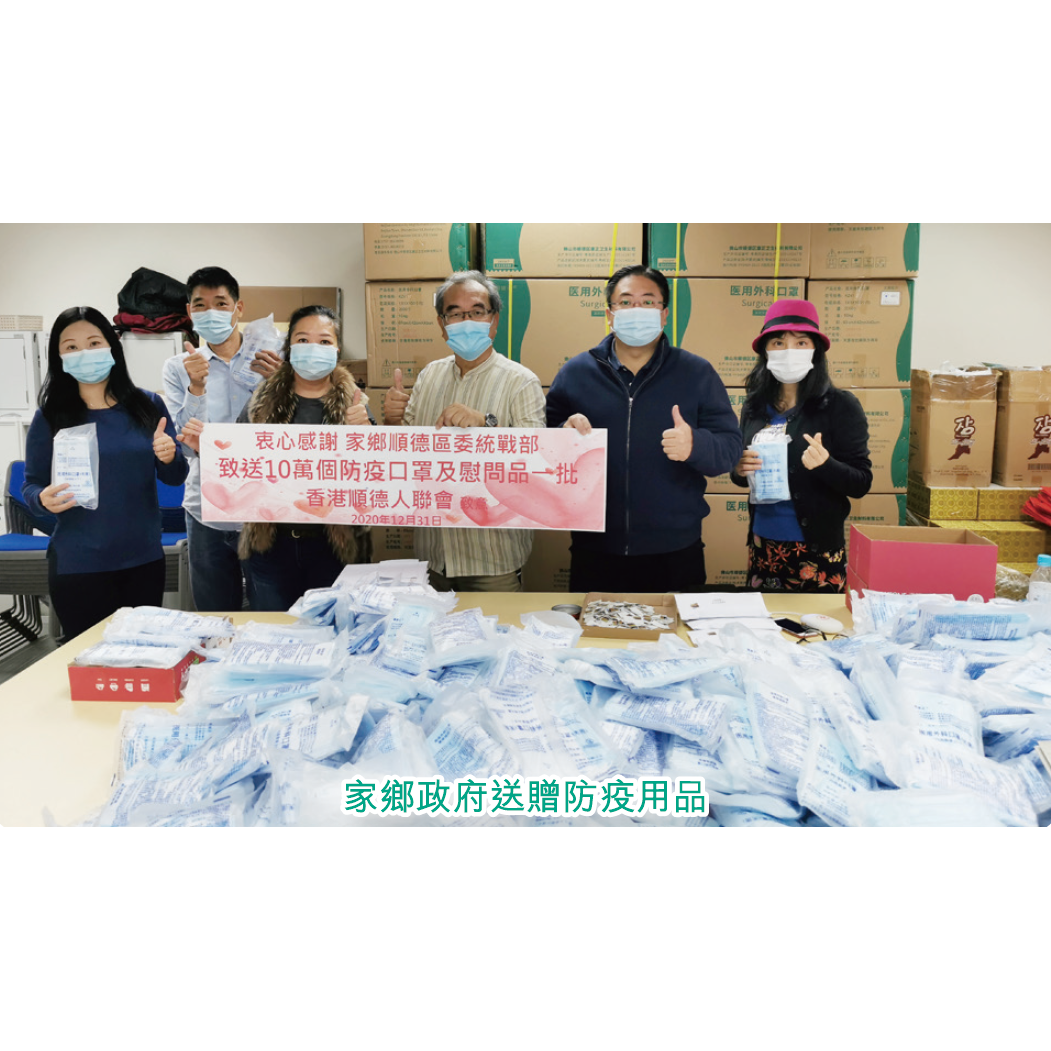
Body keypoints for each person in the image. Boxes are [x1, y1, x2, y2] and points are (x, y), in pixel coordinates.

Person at [547, 264, 742, 593]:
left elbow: (730, 449)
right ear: (609, 314)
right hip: (595, 548)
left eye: (648, 301)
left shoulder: (696, 373)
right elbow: (543, 441)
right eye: (626, 302)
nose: (636, 310)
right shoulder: (575, 372)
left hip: (675, 550)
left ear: (664, 314)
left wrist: (695, 445)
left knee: (675, 628)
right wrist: (563, 434)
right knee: (594, 628)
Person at [180, 305, 374, 611]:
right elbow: (239, 462)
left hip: (336, 547)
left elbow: (378, 478)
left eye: (324, 341)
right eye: (302, 340)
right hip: (270, 546)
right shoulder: (262, 401)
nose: (313, 348)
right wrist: (208, 450)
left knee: (331, 628)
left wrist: (366, 434)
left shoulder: (356, 404)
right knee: (272, 628)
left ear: (337, 349)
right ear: (289, 347)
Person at [22, 306, 188, 641]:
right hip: (79, 563)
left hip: (143, 559)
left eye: (94, 342)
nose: (84, 353)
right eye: (71, 347)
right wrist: (41, 499)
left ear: (112, 346)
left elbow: (175, 477)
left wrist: (169, 456)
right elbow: (32, 484)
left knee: (141, 656)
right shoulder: (51, 415)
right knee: (88, 660)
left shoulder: (147, 405)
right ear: (59, 357)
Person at [383, 270, 546, 593]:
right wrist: (392, 421)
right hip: (432, 555)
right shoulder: (430, 376)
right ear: (442, 324)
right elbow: (408, 454)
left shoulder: (521, 381)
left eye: (477, 312)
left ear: (494, 321)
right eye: (455, 314)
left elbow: (535, 463)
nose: (466, 321)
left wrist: (486, 424)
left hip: (491, 558)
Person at [730, 298, 872, 592]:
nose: (789, 351)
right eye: (778, 343)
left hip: (816, 550)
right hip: (763, 544)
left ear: (815, 350)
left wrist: (825, 465)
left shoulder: (840, 406)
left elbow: (861, 482)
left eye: (801, 343)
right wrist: (739, 468)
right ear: (766, 351)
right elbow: (742, 476)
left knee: (816, 621)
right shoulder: (754, 407)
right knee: (765, 619)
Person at [161, 266, 282, 612]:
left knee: (271, 611)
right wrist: (196, 387)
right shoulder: (178, 367)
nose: (210, 312)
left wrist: (281, 385)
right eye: (200, 305)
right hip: (206, 510)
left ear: (238, 308)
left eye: (220, 303)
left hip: (264, 505)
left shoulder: (272, 360)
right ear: (189, 312)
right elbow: (186, 445)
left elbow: (290, 433)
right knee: (215, 615)